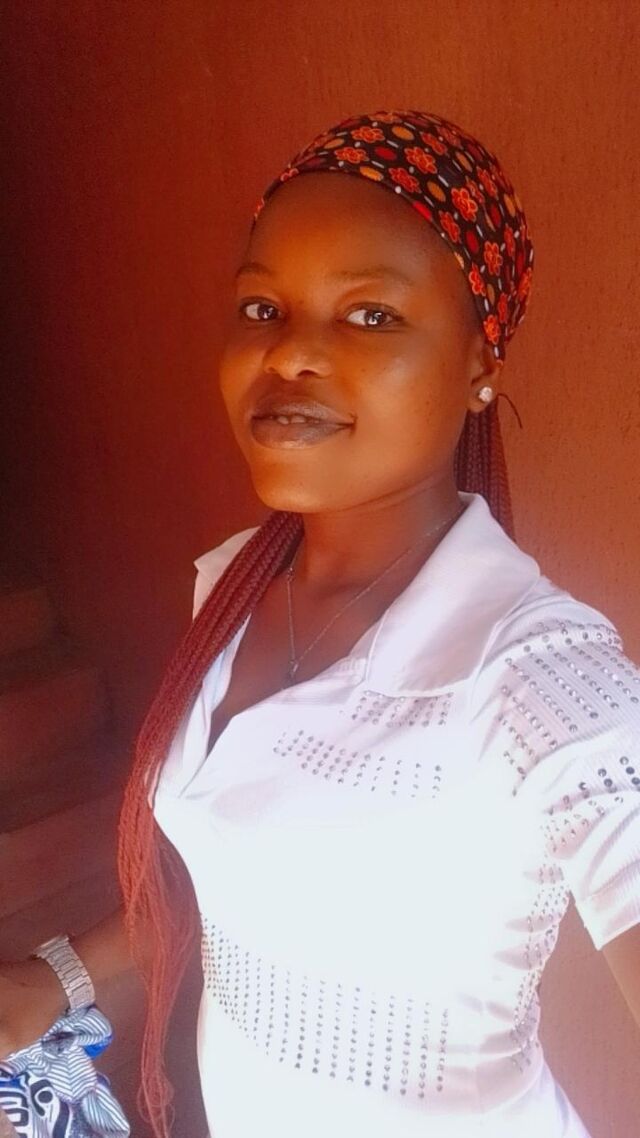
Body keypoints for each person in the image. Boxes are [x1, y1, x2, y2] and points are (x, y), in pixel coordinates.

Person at [1, 109, 639, 1138]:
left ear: (479, 361)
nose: (290, 350)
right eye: (262, 306)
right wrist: (58, 979)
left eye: (371, 314)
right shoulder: (231, 588)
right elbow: (238, 889)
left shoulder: (533, 673)